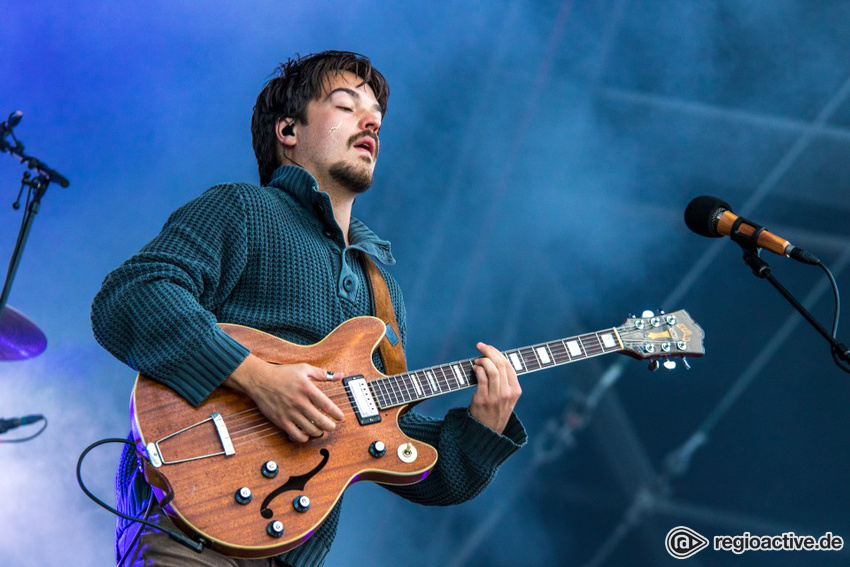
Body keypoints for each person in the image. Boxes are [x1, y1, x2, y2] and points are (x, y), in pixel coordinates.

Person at [91, 50, 526, 567]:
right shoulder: (244, 209)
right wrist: (256, 378)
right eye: (346, 106)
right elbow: (130, 295)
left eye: (377, 118)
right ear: (288, 131)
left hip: (287, 547)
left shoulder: (380, 287)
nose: (371, 122)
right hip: (185, 531)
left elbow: (391, 445)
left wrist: (482, 430)